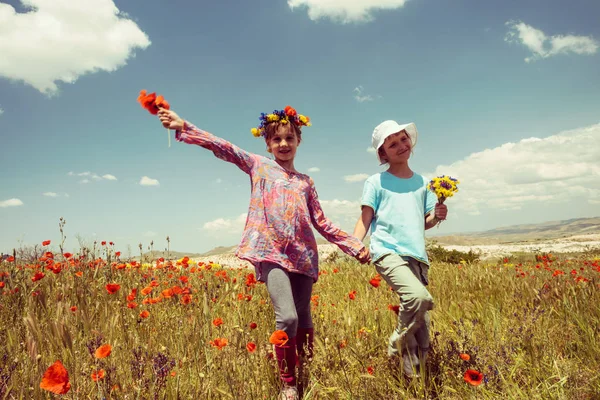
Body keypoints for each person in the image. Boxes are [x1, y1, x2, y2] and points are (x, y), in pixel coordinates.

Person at [157, 106, 371, 400]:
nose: (283, 144)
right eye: (277, 139)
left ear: (298, 141)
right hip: (269, 252)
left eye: (289, 138)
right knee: (288, 318)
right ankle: (288, 383)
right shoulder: (258, 165)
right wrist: (185, 126)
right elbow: (225, 148)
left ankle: (306, 365)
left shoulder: (306, 182)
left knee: (305, 317)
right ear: (268, 144)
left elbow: (321, 222)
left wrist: (353, 244)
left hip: (303, 256)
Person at [352, 120, 447, 379]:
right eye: (392, 144)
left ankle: (416, 382)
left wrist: (437, 216)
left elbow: (424, 222)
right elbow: (365, 218)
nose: (401, 146)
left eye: (403, 139)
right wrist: (355, 244)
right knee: (420, 299)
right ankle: (397, 342)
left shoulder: (424, 183)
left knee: (422, 327)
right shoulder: (376, 182)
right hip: (387, 252)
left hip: (417, 255)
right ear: (383, 154)